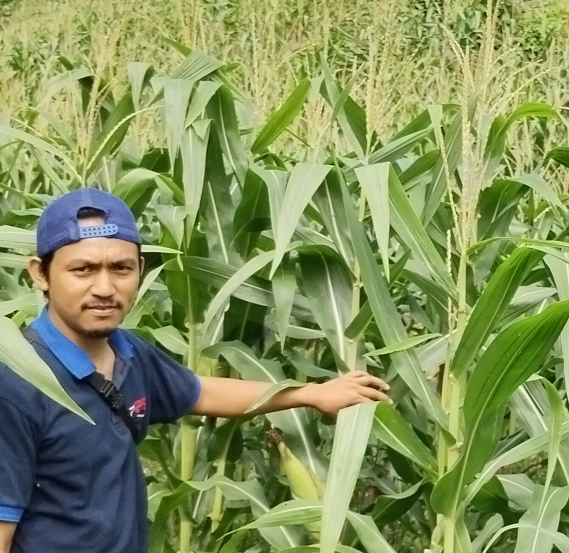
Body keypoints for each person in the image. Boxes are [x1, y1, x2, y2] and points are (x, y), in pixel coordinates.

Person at [0, 188, 392, 553]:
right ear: (40, 273)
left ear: (141, 268)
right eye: (83, 270)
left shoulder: (130, 353)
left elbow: (199, 392)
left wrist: (309, 394)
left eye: (120, 269)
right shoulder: (17, 383)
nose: (105, 288)